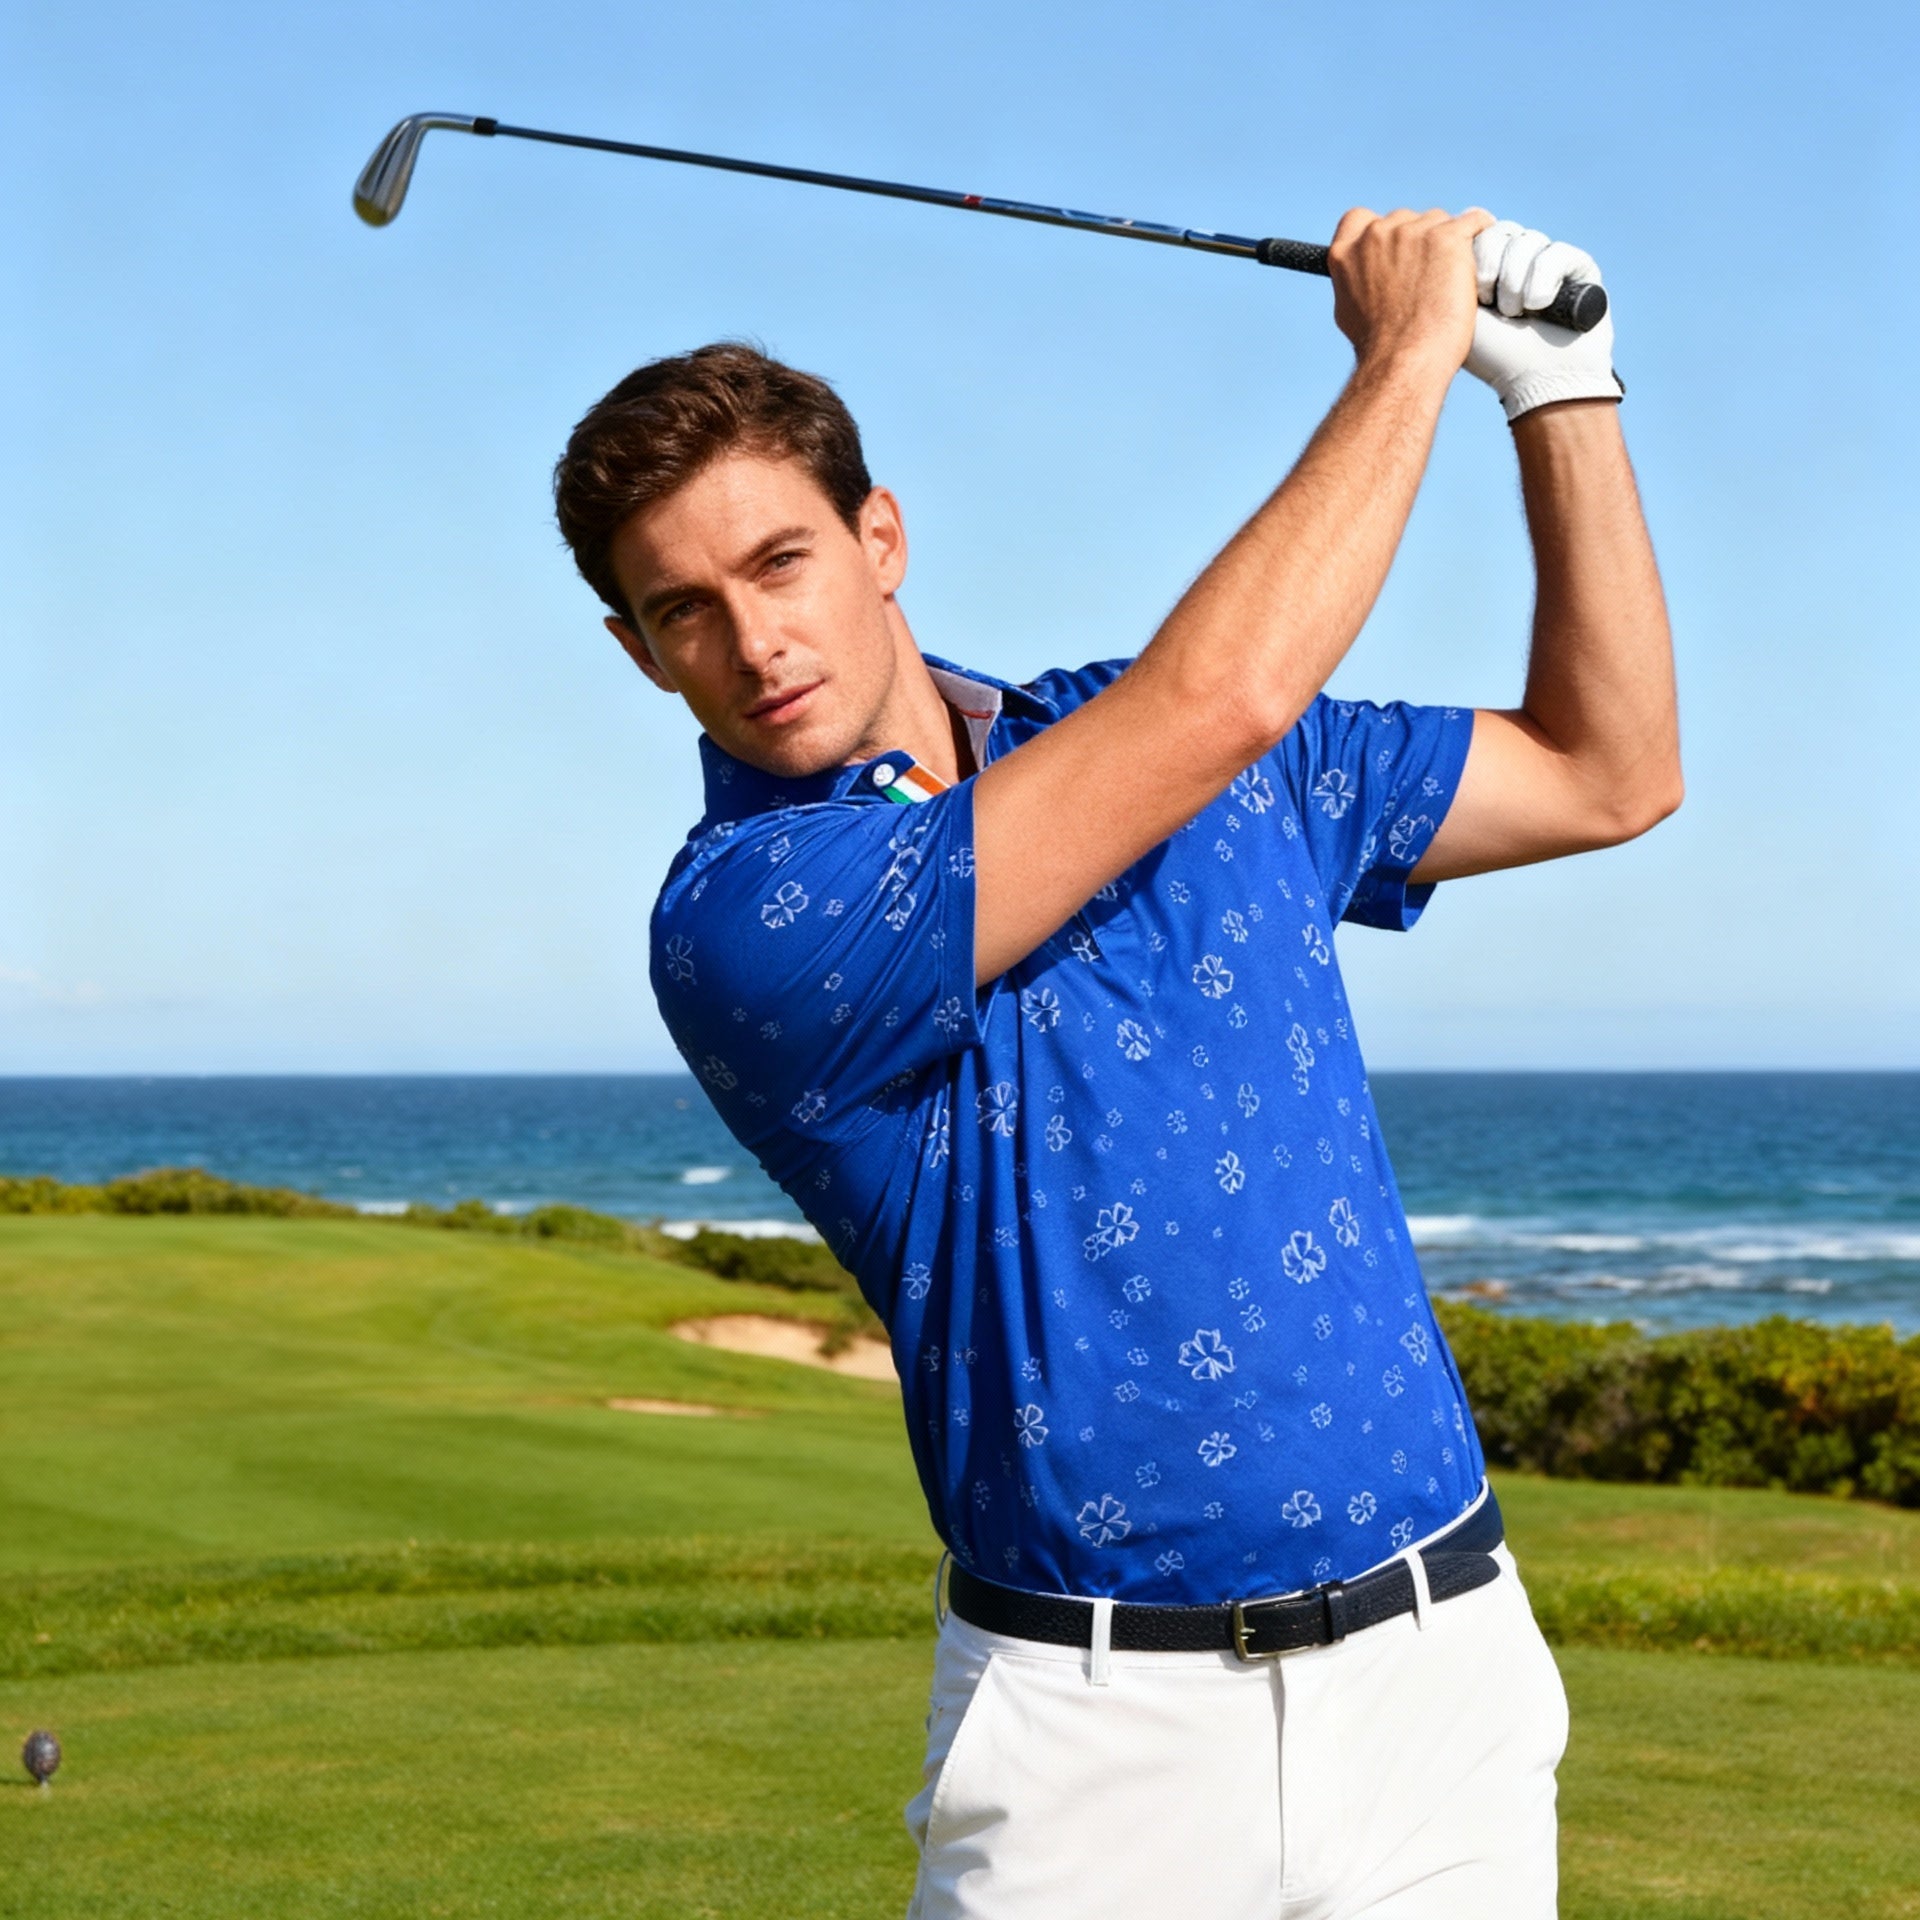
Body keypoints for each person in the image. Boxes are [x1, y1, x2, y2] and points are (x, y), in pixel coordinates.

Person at [552, 206, 1679, 1919]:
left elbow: (1611, 767)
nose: (754, 643)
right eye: (683, 612)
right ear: (635, 655)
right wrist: (1408, 356)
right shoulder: (748, 917)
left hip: (1439, 1678)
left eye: (779, 564)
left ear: (880, 539)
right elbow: (1213, 700)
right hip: (1094, 1744)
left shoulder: (1200, 747)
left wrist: (1561, 395)